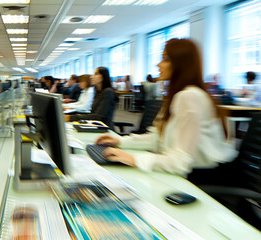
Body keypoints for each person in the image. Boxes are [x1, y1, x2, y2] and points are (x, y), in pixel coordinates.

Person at [95, 39, 237, 177]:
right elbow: (158, 138)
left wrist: (134, 159)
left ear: (181, 65)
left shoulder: (190, 97)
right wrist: (120, 141)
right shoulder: (177, 96)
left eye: (165, 59)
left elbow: (181, 161)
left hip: (206, 177)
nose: (158, 64)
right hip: (192, 171)